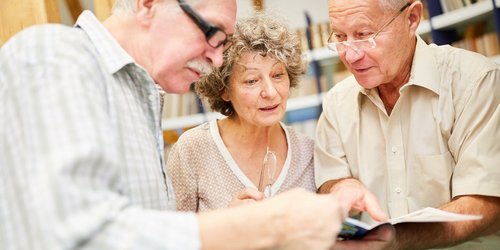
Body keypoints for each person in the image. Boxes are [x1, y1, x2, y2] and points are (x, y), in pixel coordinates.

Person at [0, 0, 391, 249]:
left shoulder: (141, 99)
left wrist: (225, 225)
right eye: (212, 33)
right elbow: (71, 235)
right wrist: (265, 226)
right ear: (148, 4)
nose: (219, 62)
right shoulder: (53, 56)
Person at [315, 0, 500, 249]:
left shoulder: (476, 82)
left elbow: (488, 205)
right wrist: (339, 186)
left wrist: (392, 239)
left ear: (412, 18)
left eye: (365, 35)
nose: (350, 54)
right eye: (339, 36)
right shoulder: (337, 103)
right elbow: (328, 184)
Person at [167, 13, 316, 211]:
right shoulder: (192, 150)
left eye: (278, 75)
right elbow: (173, 236)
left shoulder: (308, 152)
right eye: (252, 80)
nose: (270, 93)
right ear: (224, 90)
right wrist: (229, 225)